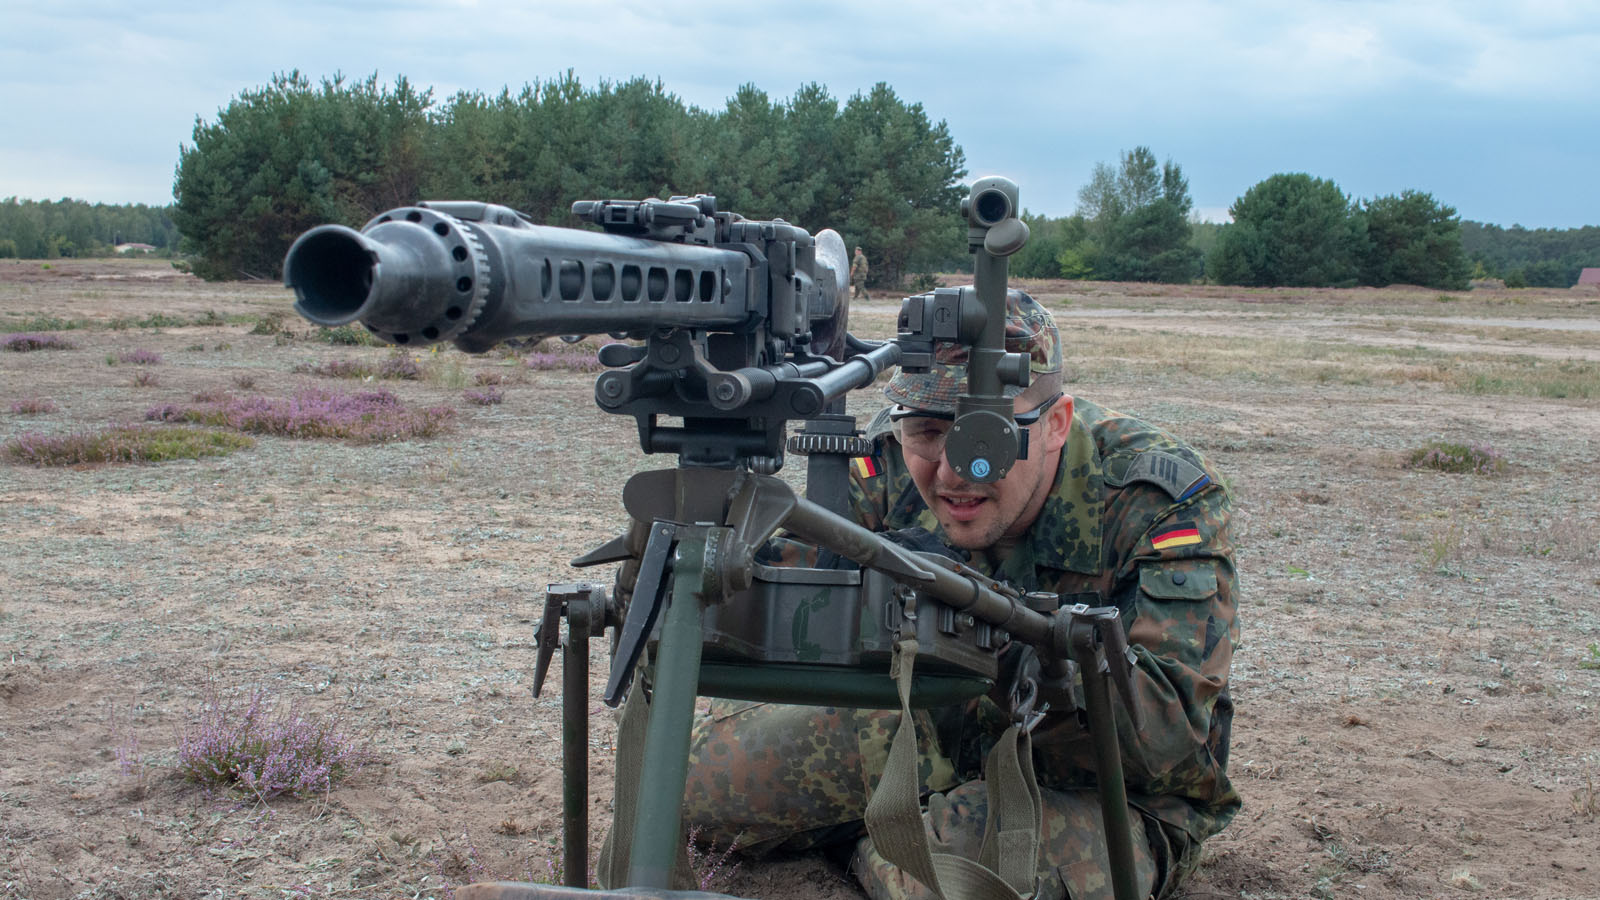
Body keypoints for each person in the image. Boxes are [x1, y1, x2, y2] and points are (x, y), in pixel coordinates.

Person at [679, 291, 1239, 900]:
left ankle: (876, 840)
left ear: (1054, 424)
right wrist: (819, 573)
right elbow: (768, 601)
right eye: (927, 431)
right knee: (688, 791)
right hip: (920, 728)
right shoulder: (893, 456)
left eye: (983, 442)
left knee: (966, 885)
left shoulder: (1157, 501)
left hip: (1098, 782)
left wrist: (993, 637)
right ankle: (890, 832)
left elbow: (1169, 735)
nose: (949, 474)